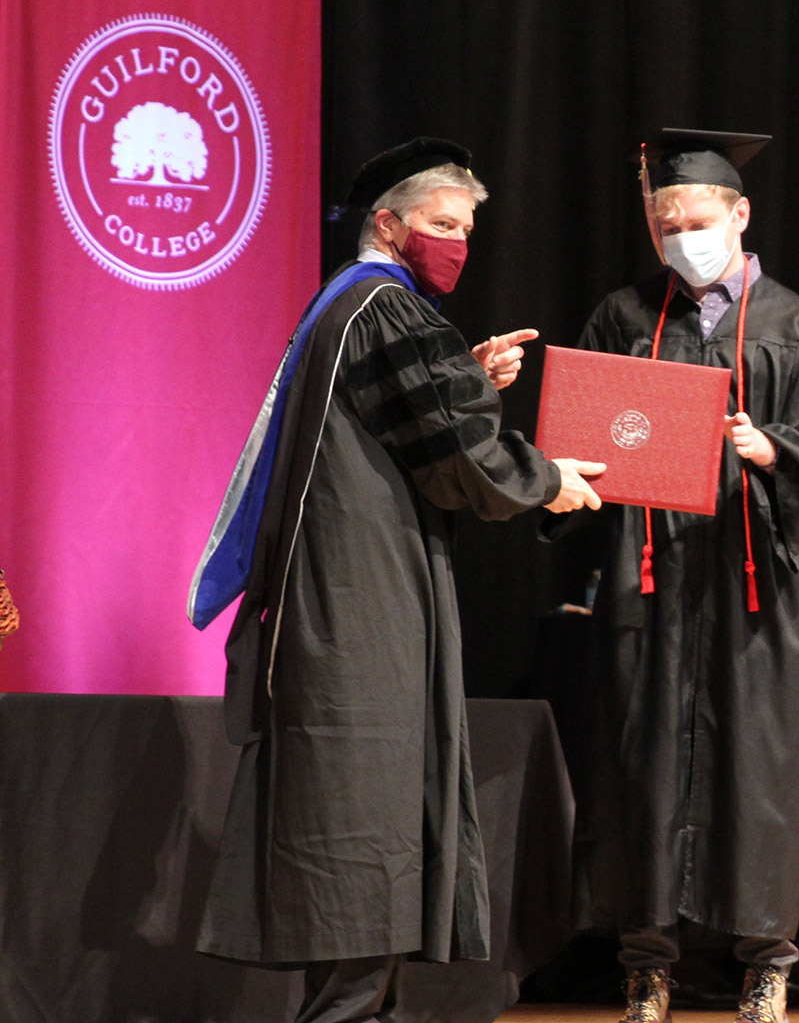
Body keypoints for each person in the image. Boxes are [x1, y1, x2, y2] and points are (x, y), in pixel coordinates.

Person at [189, 137, 603, 1023]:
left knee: (366, 812)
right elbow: (455, 457)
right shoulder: (385, 310)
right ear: (388, 222)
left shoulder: (352, 309)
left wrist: (467, 380)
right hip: (359, 603)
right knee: (365, 813)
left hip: (344, 590)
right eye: (441, 224)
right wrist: (549, 479)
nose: (456, 243)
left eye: (465, 228)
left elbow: (407, 418)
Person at [557, 129, 799, 1023]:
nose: (682, 237)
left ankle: (766, 964)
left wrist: (773, 449)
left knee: (756, 772)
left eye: (697, 220)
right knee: (639, 768)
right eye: (666, 225)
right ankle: (645, 965)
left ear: (739, 215)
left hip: (747, 581)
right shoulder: (623, 317)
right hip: (647, 580)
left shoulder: (798, 326)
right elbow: (580, 431)